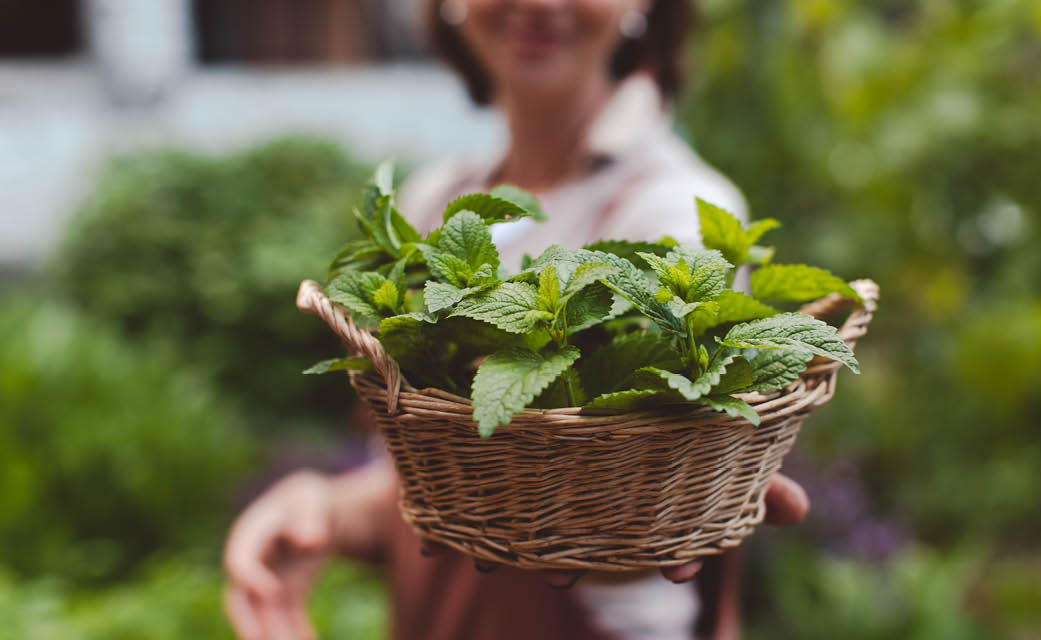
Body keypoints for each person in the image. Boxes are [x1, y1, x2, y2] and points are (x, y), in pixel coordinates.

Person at [224, 1, 810, 639]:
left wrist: (661, 506)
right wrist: (326, 511)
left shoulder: (676, 212)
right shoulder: (440, 202)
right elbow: (424, 478)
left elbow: (637, 515)